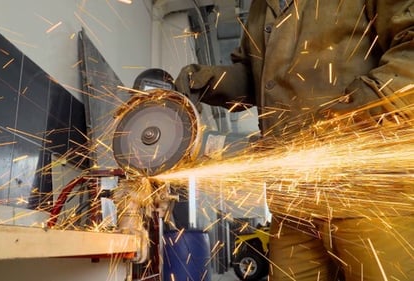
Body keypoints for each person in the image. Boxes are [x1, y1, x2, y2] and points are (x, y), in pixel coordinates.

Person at [175, 1, 414, 280]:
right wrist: (210, 81)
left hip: (367, 193)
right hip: (293, 203)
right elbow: (261, 79)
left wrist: (352, 111)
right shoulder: (260, 7)